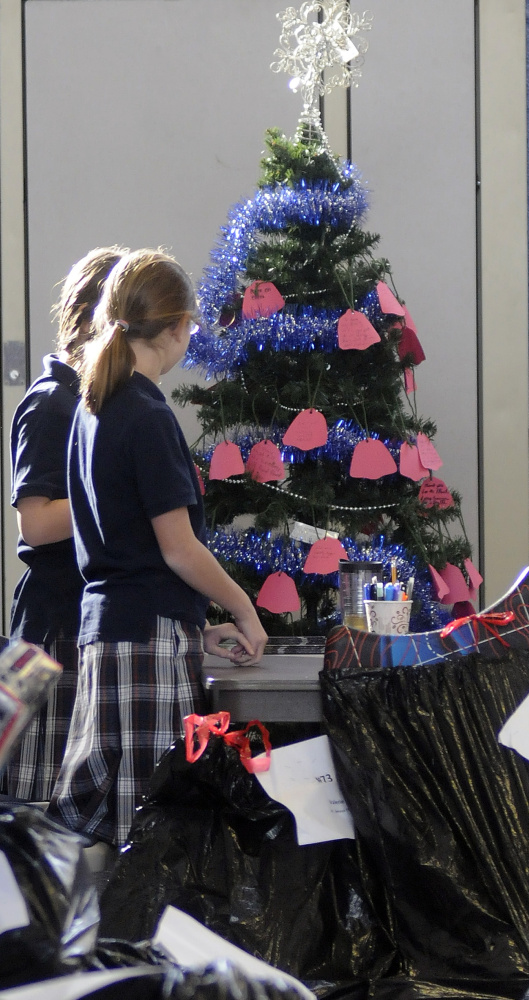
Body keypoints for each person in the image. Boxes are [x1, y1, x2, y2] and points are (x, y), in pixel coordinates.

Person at [47, 248, 267, 847]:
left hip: (113, 633)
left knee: (112, 818)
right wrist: (244, 609)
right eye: (191, 326)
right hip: (144, 644)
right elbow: (177, 549)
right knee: (151, 832)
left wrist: (195, 630)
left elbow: (125, 546)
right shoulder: (146, 413)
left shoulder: (95, 406)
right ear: (174, 328)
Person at [4, 247, 125, 803]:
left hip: (87, 624)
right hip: (52, 630)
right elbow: (36, 524)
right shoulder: (52, 403)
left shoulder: (102, 403)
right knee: (41, 809)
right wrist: (125, 496)